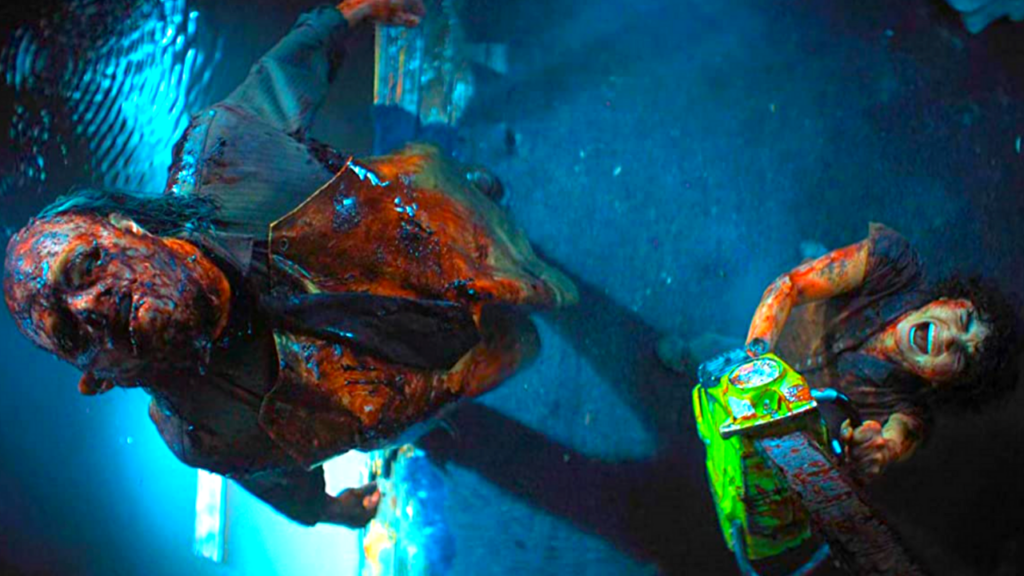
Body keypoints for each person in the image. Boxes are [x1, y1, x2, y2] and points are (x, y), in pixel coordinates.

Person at [2, 0, 577, 528]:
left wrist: (353, 12)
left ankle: (492, 209)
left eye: (85, 267)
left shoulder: (224, 156)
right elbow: (273, 477)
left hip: (449, 234)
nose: (92, 306)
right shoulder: (201, 431)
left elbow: (286, 70)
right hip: (432, 384)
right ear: (100, 380)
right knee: (520, 348)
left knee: (518, 260)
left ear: (127, 228)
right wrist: (328, 510)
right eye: (70, 332)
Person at [661, 223, 1019, 481]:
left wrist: (872, 451)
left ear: (943, 383)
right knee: (710, 348)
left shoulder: (912, 415)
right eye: (964, 319)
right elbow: (789, 286)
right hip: (784, 332)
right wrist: (755, 355)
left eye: (961, 356)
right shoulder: (893, 266)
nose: (950, 337)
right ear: (947, 299)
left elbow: (890, 443)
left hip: (788, 409)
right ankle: (817, 260)